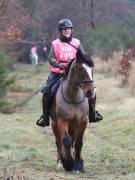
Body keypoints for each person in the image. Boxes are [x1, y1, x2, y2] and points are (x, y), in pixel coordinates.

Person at [36, 18, 103, 127]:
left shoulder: (77, 42)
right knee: (47, 90)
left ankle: (92, 114)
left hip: (75, 73)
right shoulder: (55, 43)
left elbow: (83, 56)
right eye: (64, 29)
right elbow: (51, 58)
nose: (67, 31)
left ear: (72, 30)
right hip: (58, 72)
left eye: (69, 29)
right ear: (60, 31)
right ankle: (45, 117)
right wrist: (59, 65)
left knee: (91, 89)